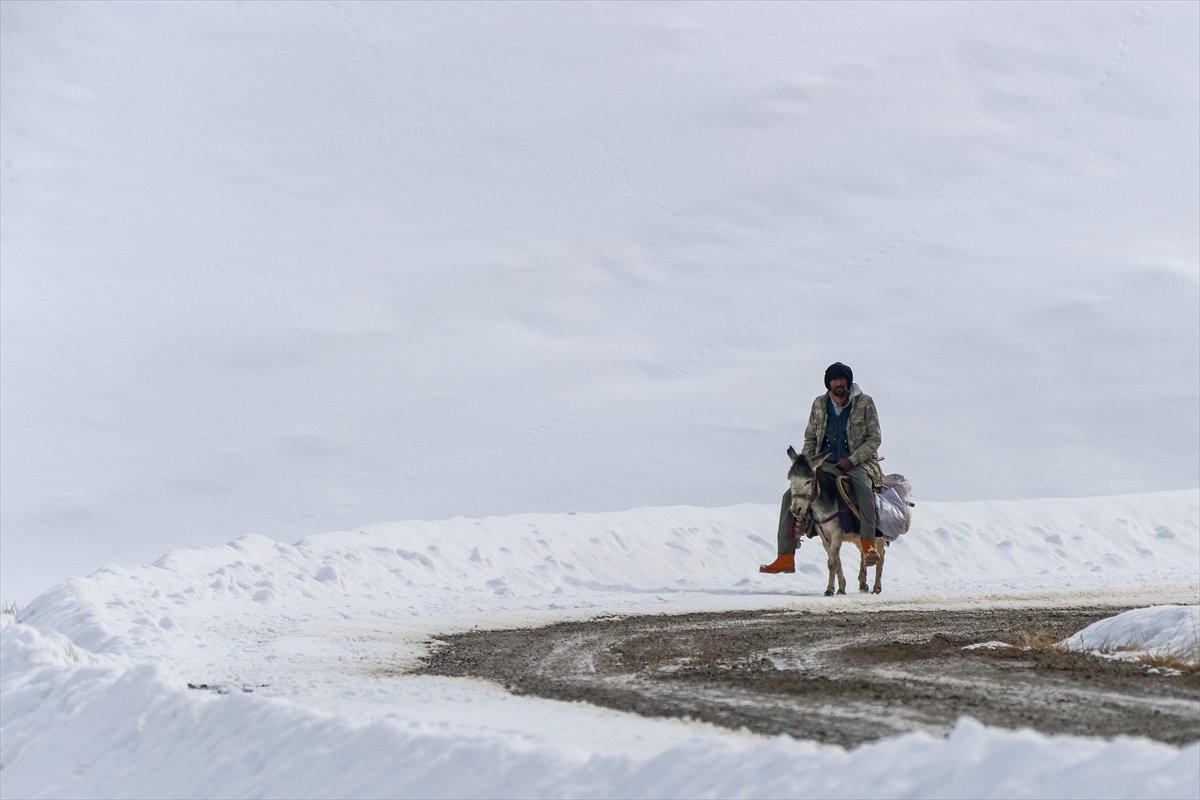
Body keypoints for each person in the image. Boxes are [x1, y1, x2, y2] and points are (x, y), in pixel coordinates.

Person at [759, 362, 884, 574]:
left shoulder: (865, 403)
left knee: (863, 489)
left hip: (858, 464)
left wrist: (852, 459)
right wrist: (806, 463)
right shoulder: (819, 404)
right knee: (791, 495)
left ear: (848, 382)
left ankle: (868, 545)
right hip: (823, 463)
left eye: (842, 380)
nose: (838, 384)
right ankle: (785, 556)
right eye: (834, 380)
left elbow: (874, 438)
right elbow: (810, 437)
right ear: (828, 384)